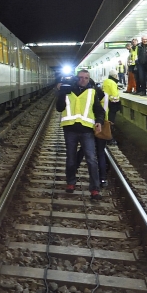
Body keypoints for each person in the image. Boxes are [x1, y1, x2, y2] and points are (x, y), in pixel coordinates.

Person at [56, 70, 106, 199]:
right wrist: (61, 92)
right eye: (80, 78)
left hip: (87, 131)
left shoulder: (92, 92)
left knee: (91, 160)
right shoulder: (67, 90)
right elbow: (59, 108)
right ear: (75, 78)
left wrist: (99, 122)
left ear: (89, 79)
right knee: (71, 159)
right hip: (70, 129)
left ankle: (95, 189)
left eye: (86, 78)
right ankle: (71, 182)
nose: (83, 80)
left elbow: (99, 111)